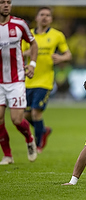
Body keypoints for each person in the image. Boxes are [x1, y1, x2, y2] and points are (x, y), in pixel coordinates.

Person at [22, 6, 72, 153]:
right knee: (25, 116)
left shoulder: (57, 35)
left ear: (51, 19)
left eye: (48, 15)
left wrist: (61, 57)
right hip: (28, 79)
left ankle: (38, 145)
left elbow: (68, 55)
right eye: (42, 14)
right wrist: (30, 52)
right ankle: (43, 130)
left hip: (45, 80)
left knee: (36, 113)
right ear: (36, 17)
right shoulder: (28, 34)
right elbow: (20, 52)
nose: (45, 17)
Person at [0, 0, 38, 165]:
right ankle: (8, 155)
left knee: (16, 120)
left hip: (16, 80)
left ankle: (29, 138)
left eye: (9, 2)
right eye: (2, 2)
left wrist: (32, 64)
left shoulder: (19, 24)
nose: (6, 5)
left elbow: (33, 43)